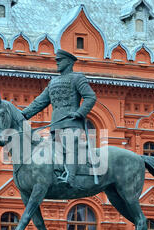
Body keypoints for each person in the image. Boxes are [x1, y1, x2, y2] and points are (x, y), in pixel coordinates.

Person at [21, 49, 97, 189]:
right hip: (56, 124)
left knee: (69, 148)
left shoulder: (77, 78)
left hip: (72, 123)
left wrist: (80, 112)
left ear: (68, 62)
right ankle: (55, 177)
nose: (57, 63)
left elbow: (90, 97)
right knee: (50, 152)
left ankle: (71, 178)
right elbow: (40, 102)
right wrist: (23, 115)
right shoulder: (53, 82)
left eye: (59, 60)